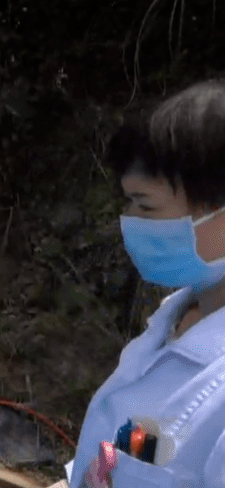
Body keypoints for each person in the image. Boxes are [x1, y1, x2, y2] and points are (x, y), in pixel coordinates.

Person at [67, 79, 224, 488]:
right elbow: (121, 452)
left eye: (145, 205)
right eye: (128, 201)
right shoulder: (178, 313)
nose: (130, 220)